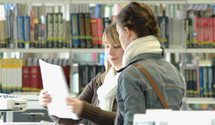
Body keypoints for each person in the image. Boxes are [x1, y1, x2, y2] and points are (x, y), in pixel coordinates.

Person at [114, 2, 186, 125]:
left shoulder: (131, 74)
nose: (120, 40)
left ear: (127, 32)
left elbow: (132, 122)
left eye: (119, 34)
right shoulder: (173, 71)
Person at [39, 23, 124, 125]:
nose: (109, 52)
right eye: (106, 46)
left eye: (116, 46)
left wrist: (85, 110)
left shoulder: (131, 80)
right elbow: (70, 118)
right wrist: (51, 103)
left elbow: (123, 119)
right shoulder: (99, 81)